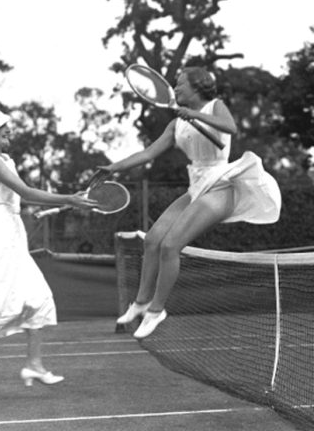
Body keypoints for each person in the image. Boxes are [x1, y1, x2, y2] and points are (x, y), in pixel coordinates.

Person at [95, 66, 281, 340]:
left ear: (198, 87)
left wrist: (194, 114)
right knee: (152, 240)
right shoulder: (175, 124)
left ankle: (157, 311)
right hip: (197, 185)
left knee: (171, 245)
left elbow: (230, 127)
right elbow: (148, 153)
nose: (176, 88)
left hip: (221, 184)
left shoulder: (215, 106)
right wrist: (114, 168)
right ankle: (142, 302)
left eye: (180, 84)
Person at [0, 108, 98, 406]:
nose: (10, 133)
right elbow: (25, 191)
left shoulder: (6, 160)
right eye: (4, 130)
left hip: (12, 231)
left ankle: (34, 364)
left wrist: (59, 204)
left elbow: (18, 198)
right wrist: (68, 198)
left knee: (39, 298)